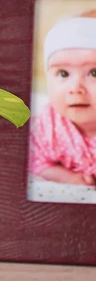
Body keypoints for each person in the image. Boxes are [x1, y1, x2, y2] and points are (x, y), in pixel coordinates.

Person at [28, 10, 96, 186]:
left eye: (93, 73)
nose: (75, 88)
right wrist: (66, 177)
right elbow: (36, 162)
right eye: (63, 73)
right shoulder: (45, 126)